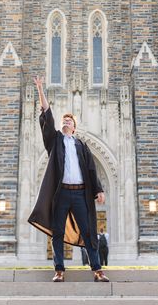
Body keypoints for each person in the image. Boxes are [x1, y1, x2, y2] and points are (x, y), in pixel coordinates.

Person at [28, 75, 109, 283]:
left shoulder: (82, 145)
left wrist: (98, 190)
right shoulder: (55, 142)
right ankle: (59, 270)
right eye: (64, 120)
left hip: (80, 193)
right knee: (57, 232)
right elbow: (47, 115)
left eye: (69, 121)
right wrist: (40, 89)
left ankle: (97, 270)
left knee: (89, 231)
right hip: (61, 192)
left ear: (74, 127)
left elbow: (91, 169)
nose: (65, 122)